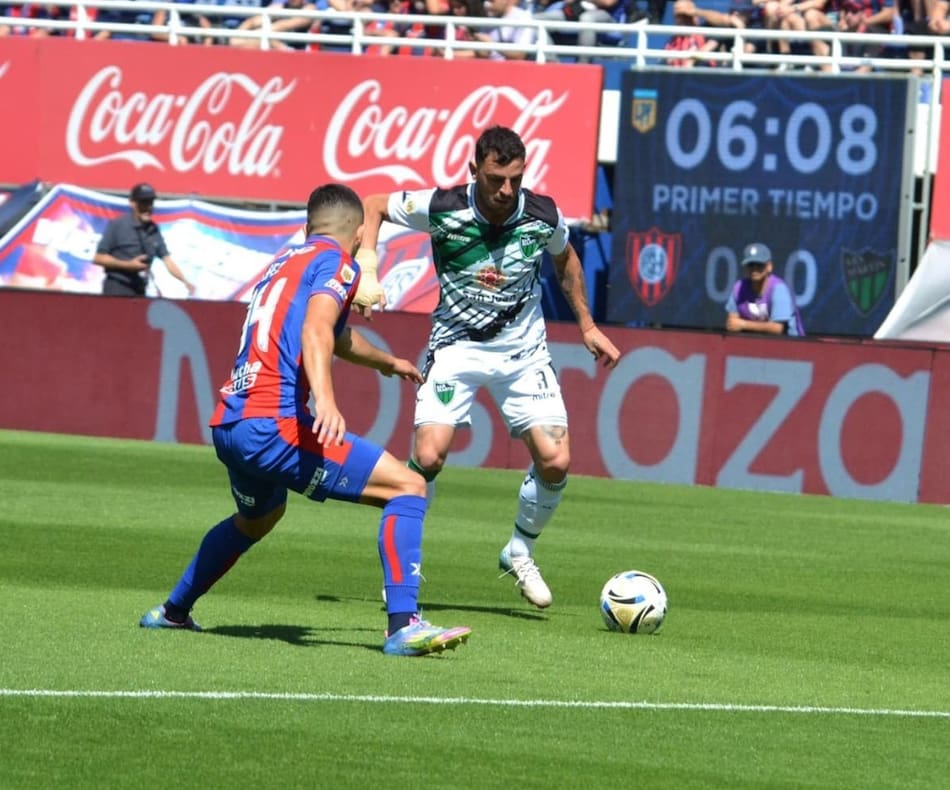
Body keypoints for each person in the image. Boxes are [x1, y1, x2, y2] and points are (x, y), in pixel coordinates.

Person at [139, 183, 472, 658]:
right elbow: (317, 329)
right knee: (407, 487)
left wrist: (384, 361)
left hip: (231, 424)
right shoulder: (339, 264)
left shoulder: (283, 265)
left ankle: (172, 612)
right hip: (273, 424)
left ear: (306, 227)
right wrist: (326, 401)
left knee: (259, 517)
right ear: (359, 234)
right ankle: (403, 626)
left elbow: (333, 336)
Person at [357, 126, 621, 609]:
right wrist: (368, 272)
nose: (506, 191)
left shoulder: (542, 215)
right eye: (496, 179)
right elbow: (372, 204)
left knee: (557, 461)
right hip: (455, 347)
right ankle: (403, 567)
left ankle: (519, 550)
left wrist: (585, 324)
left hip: (522, 352)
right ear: (473, 169)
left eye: (515, 179)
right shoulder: (442, 207)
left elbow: (566, 260)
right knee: (429, 457)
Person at [93, 184, 194, 298]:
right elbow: (98, 258)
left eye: (150, 203)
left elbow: (167, 259)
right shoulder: (118, 224)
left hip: (140, 290)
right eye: (144, 203)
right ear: (133, 203)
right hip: (117, 287)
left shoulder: (153, 229)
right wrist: (127, 265)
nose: (148, 207)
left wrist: (185, 281)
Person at [725, 242, 805, 336]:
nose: (754, 269)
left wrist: (743, 324)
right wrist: (736, 324)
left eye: (759, 264)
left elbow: (777, 328)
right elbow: (732, 323)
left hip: (790, 345)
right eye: (751, 264)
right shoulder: (738, 288)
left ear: (769, 267)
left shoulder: (779, 289)